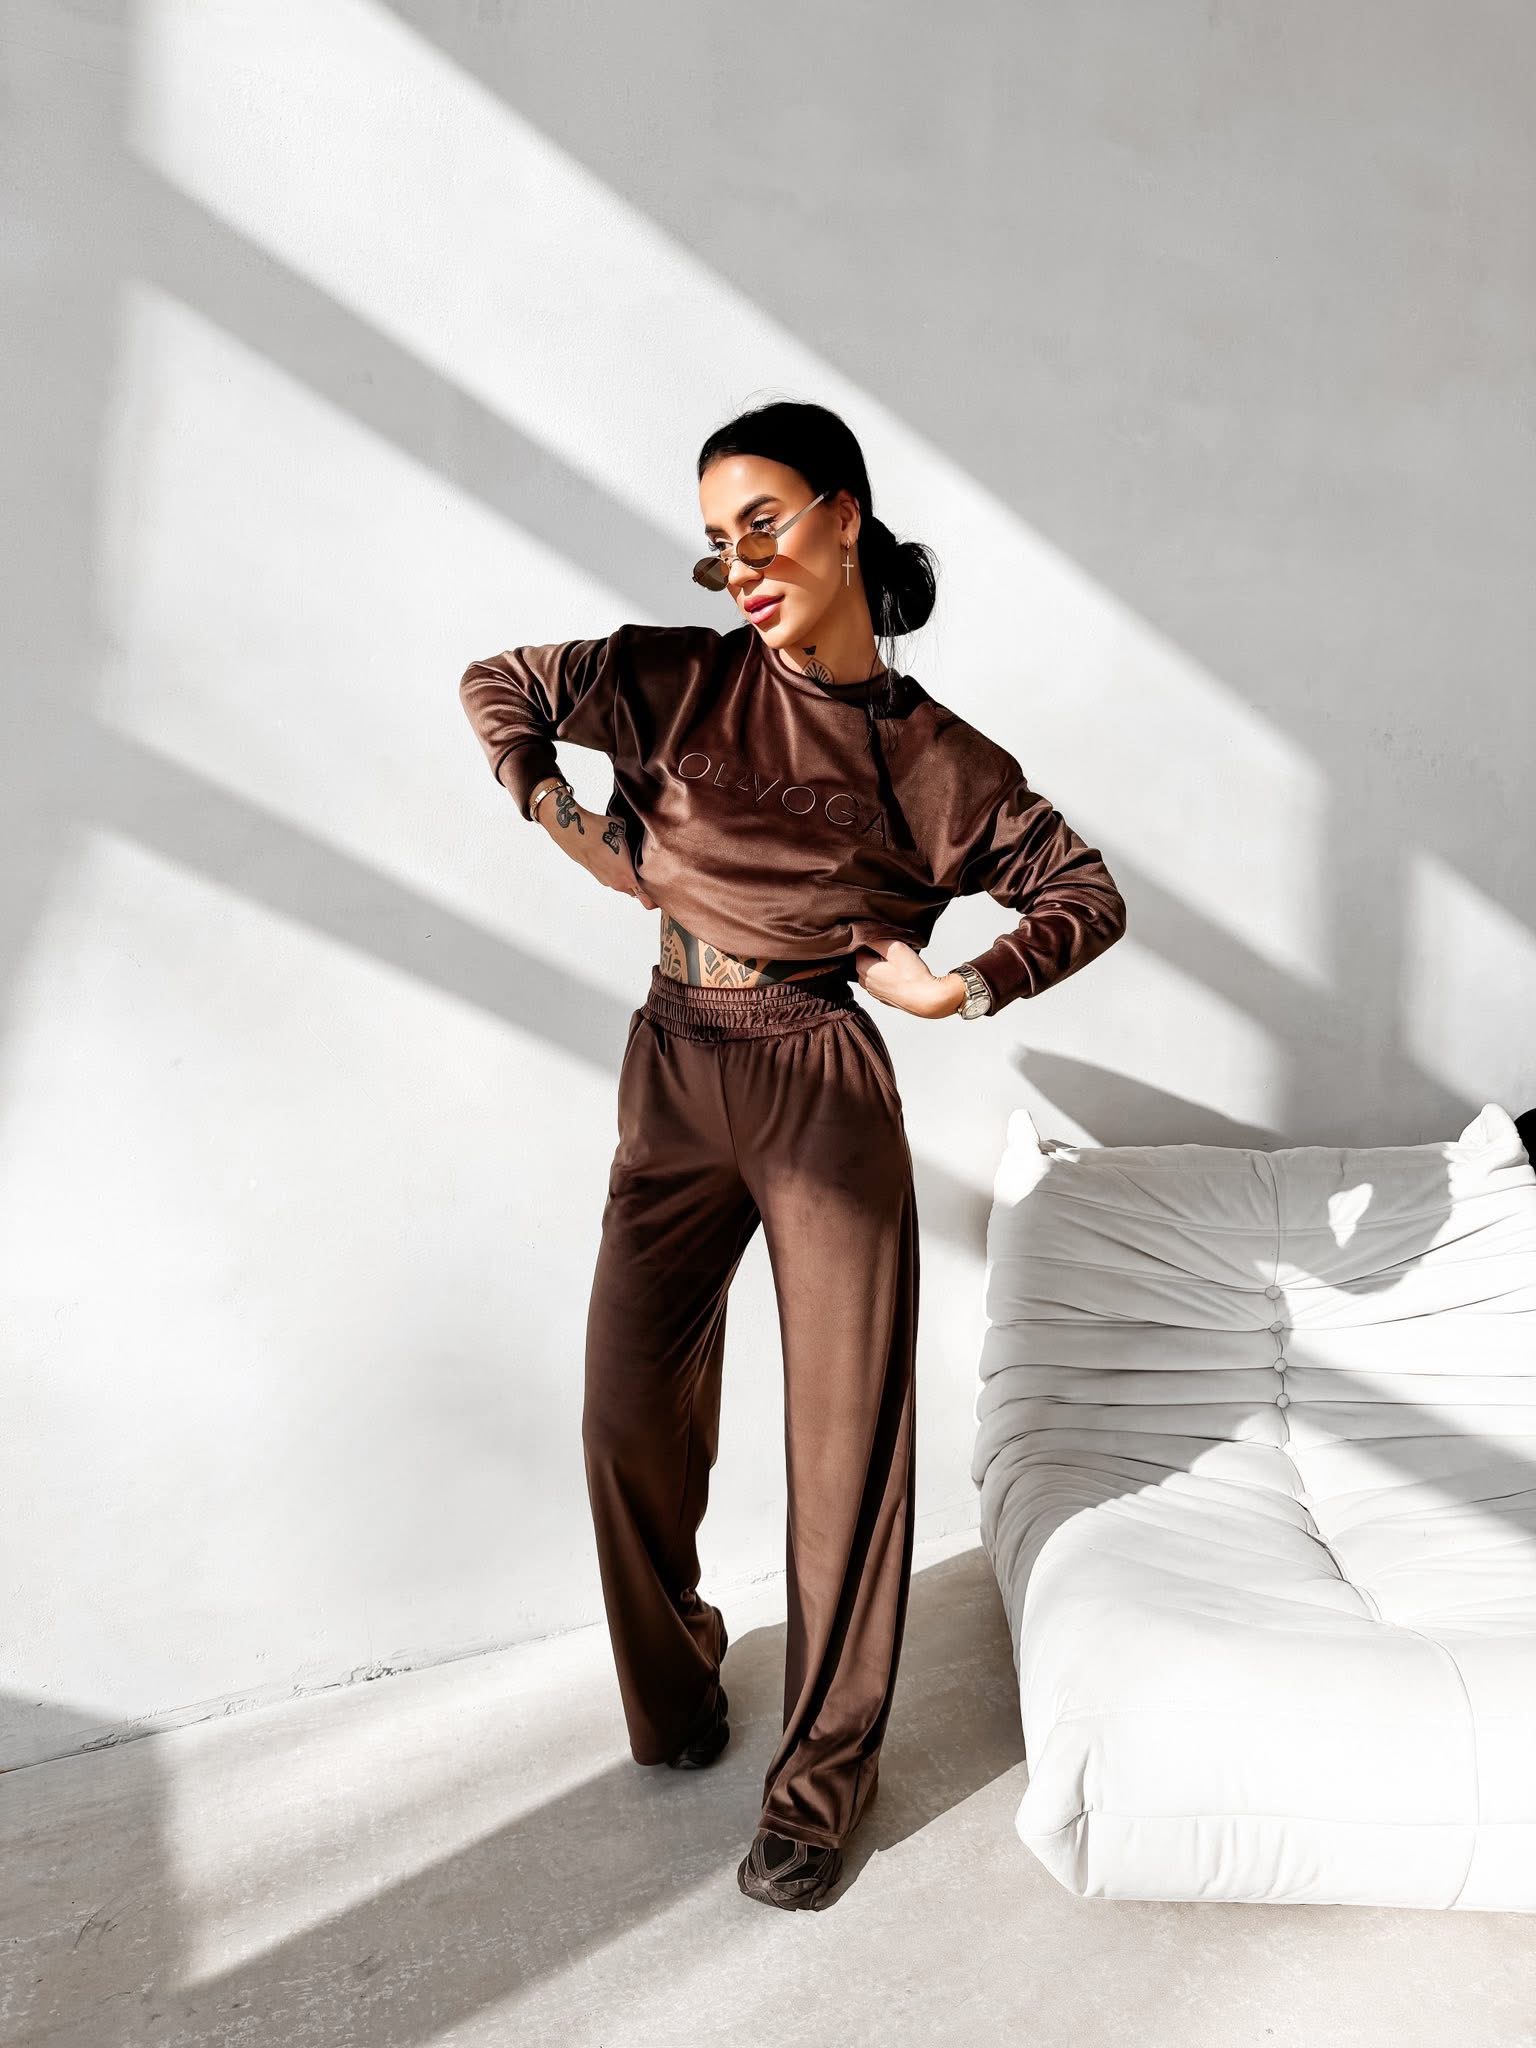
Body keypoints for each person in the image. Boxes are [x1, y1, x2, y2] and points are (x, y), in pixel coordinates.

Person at [458, 398, 1127, 1911]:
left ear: (843, 516)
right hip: (673, 1058)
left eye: (763, 524)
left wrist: (961, 986)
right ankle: (678, 1684)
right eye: (717, 541)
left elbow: (1084, 893)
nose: (742, 563)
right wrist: (563, 814)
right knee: (624, 1410)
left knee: (844, 1450)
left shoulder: (933, 757)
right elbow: (500, 683)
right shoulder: (674, 676)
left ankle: (822, 1782)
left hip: (818, 1078)